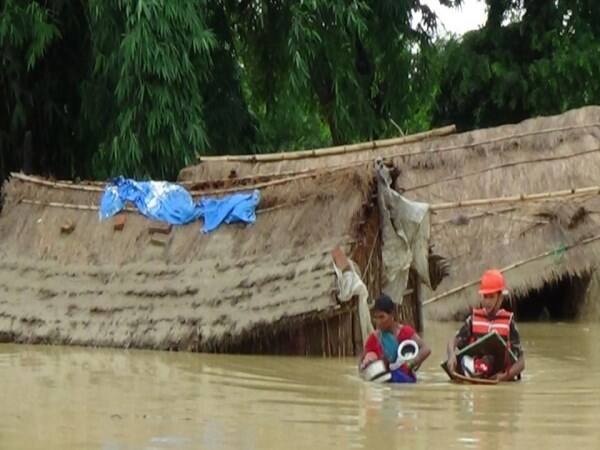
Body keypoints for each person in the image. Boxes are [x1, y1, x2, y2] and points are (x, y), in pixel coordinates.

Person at [446, 269, 525, 381]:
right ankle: (475, 368)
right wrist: (451, 355)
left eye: (491, 297)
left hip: (500, 377)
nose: (487, 301)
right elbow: (453, 341)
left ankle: (481, 368)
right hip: (475, 370)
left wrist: (503, 377)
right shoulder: (473, 320)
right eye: (485, 296)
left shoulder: (509, 322)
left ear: (500, 297)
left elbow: (521, 363)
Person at [360, 294, 431, 383]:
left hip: (406, 381)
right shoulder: (374, 338)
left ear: (392, 314)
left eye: (382, 317)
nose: (378, 322)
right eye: (376, 318)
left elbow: (426, 349)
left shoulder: (405, 332)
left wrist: (410, 364)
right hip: (384, 384)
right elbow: (361, 366)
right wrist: (368, 363)